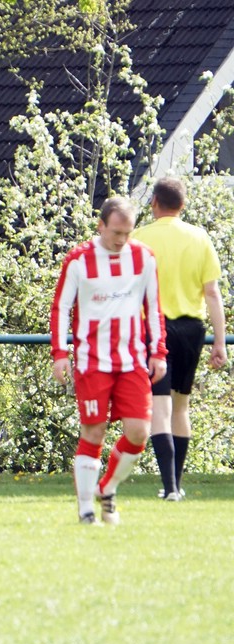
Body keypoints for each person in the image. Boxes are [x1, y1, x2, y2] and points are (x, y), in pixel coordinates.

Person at [50, 196, 168, 525]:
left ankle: (108, 488)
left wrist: (158, 351)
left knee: (139, 432)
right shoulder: (78, 260)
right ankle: (86, 511)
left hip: (132, 360)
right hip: (92, 361)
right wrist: (60, 353)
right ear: (101, 225)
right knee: (94, 431)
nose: (121, 240)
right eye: (116, 232)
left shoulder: (144, 257)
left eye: (127, 233)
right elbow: (61, 308)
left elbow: (154, 308)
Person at [132, 177, 227, 501]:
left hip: (153, 330)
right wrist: (219, 341)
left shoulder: (139, 238)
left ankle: (170, 486)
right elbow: (212, 293)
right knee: (181, 406)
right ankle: (176, 484)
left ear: (154, 202)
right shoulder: (200, 238)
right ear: (183, 205)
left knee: (159, 406)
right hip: (191, 330)